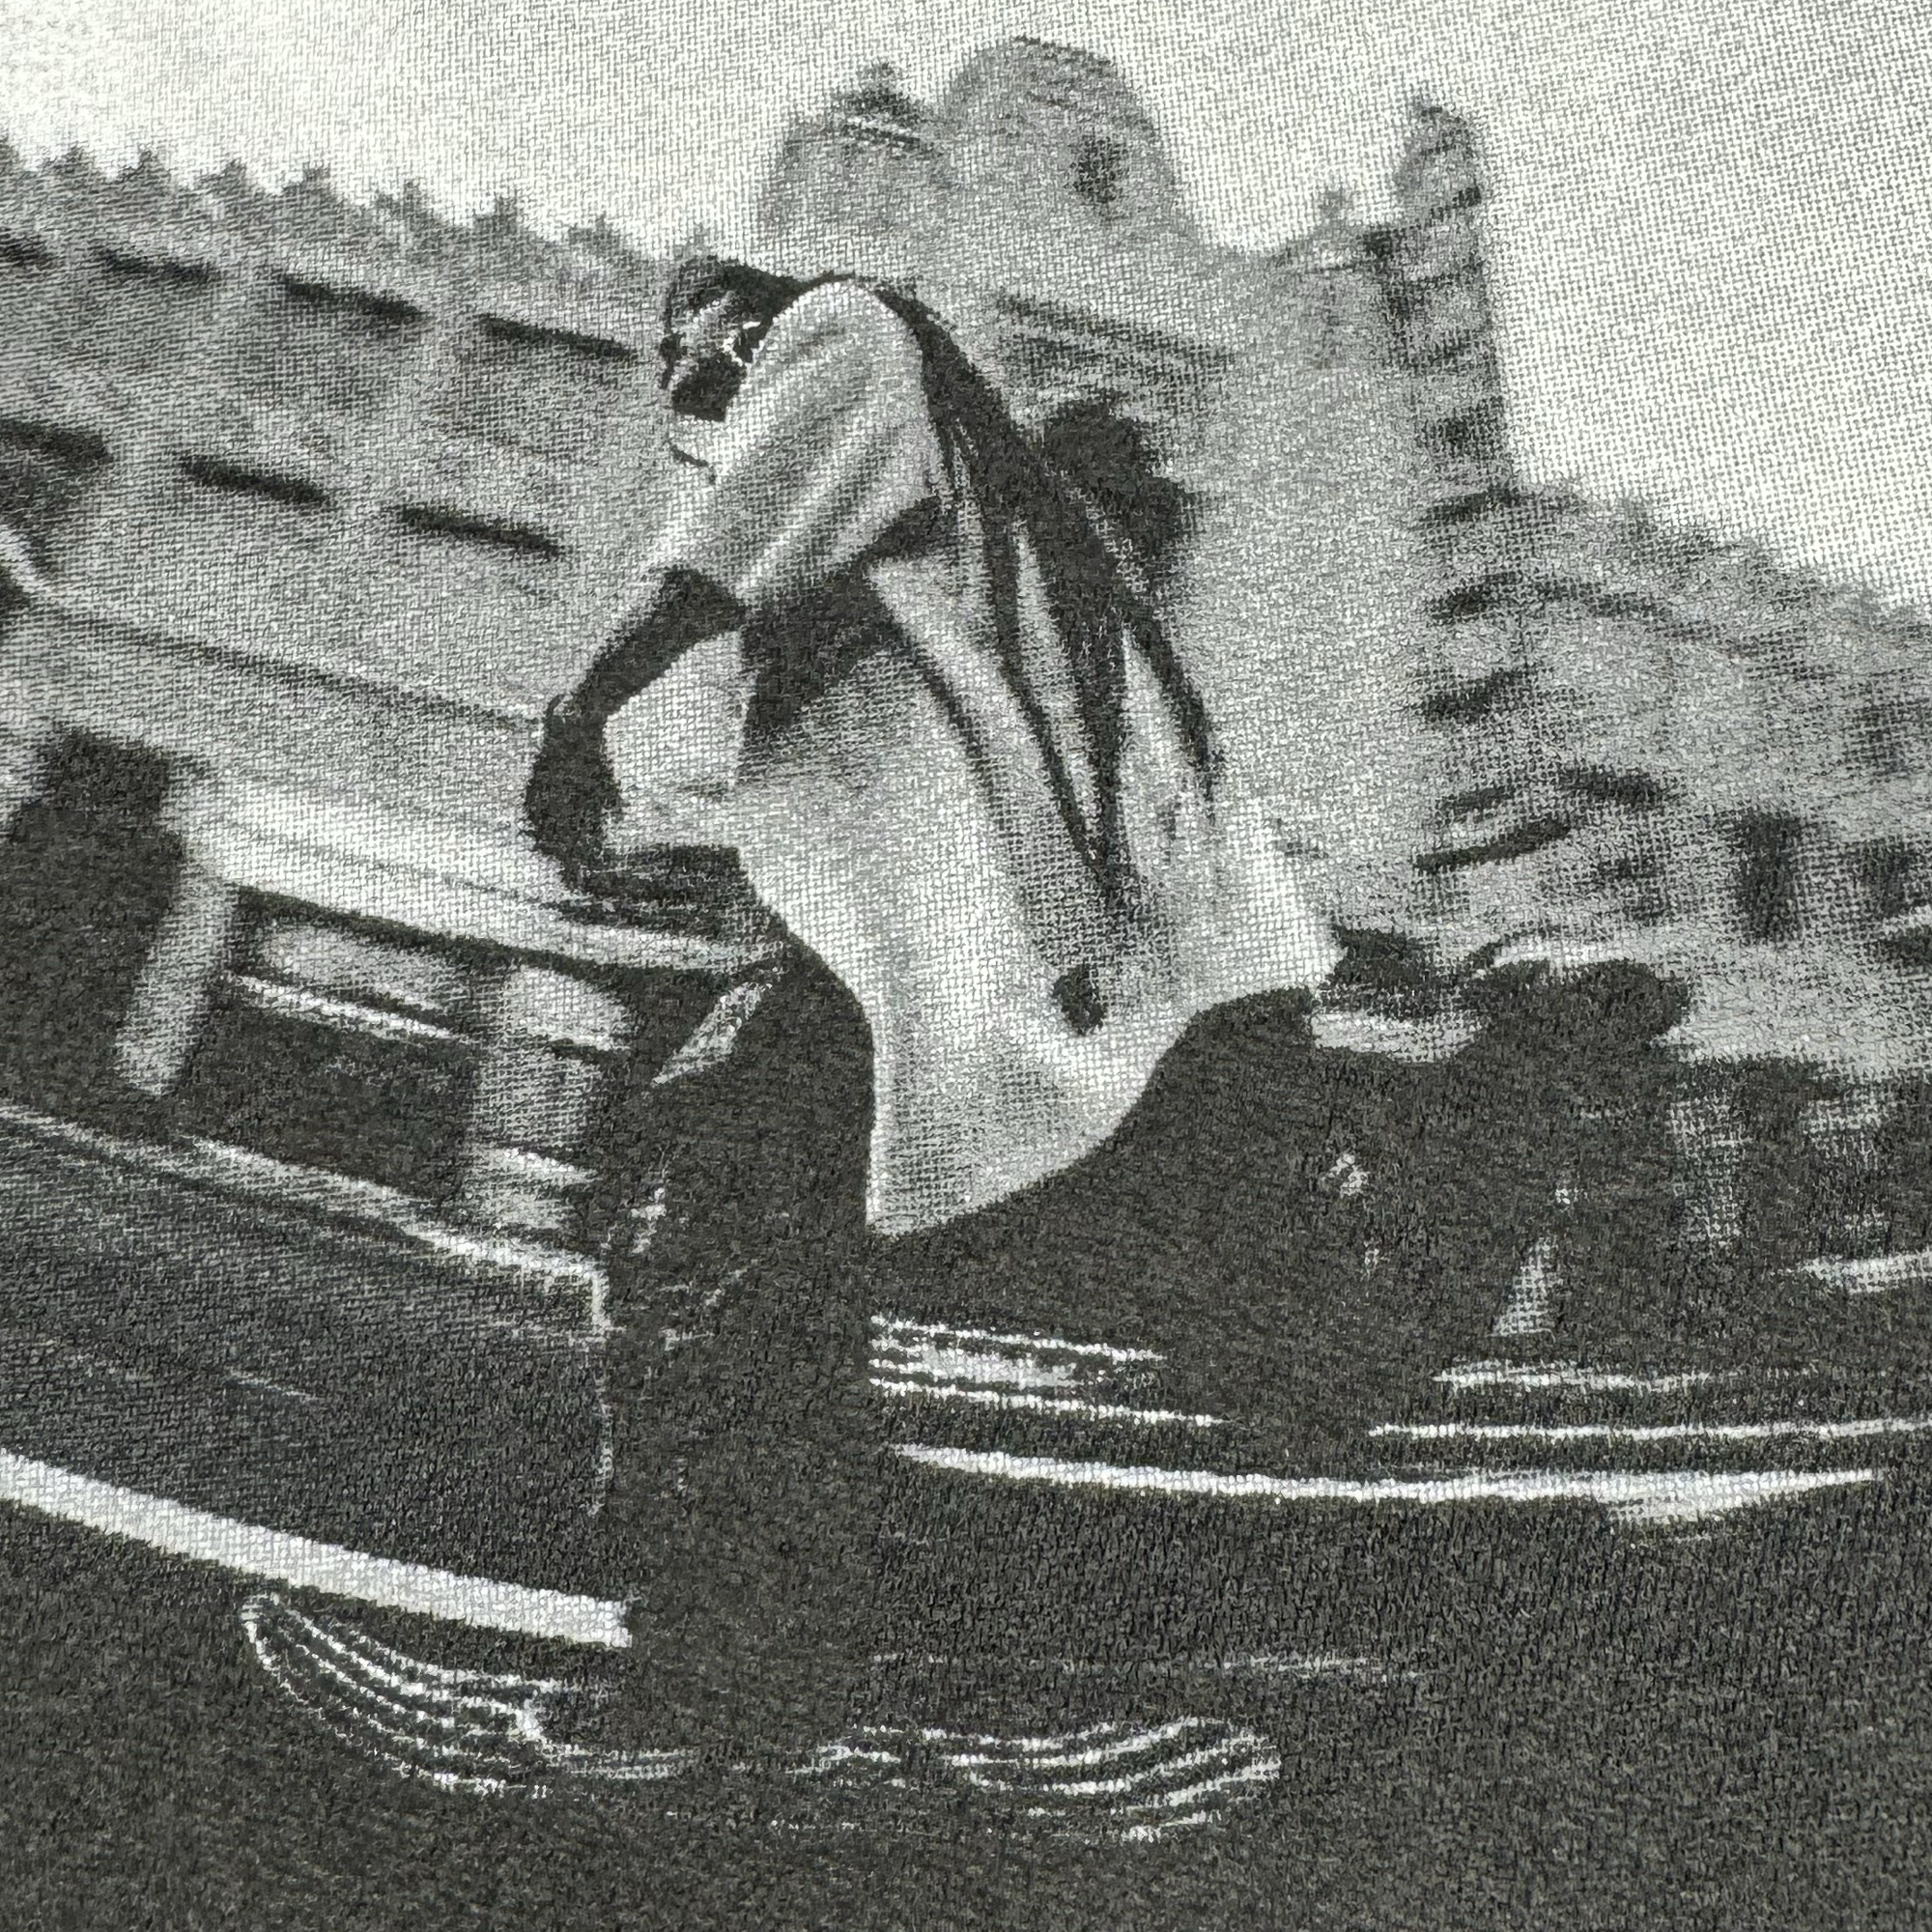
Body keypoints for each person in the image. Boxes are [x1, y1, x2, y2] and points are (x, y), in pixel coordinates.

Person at [516, 253, 1351, 1760]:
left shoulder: (842, 328)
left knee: (705, 1197)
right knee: (764, 1234)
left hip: (939, 901)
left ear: (743, 312)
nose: (675, 374)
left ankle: (725, 1673)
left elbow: (721, 548)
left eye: (684, 335)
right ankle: (768, 1655)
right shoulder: (977, 504)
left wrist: (577, 714)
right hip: (947, 910)